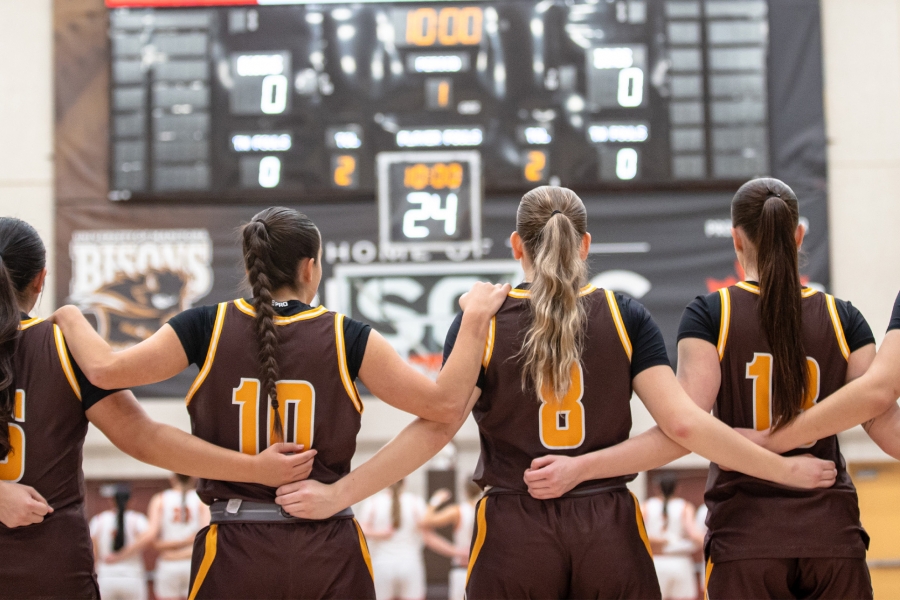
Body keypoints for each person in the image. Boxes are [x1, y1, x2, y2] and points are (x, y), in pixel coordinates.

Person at [273, 186, 837, 599]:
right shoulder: (623, 314)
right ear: (585, 243)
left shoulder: (485, 319)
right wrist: (782, 466)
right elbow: (682, 427)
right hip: (608, 519)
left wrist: (340, 493)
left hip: (516, 522)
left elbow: (435, 427)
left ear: (517, 245)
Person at [52, 207, 510, 599]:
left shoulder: (204, 325)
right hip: (327, 543)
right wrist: (473, 318)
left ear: (253, 268)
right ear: (310, 267)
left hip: (234, 544)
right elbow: (444, 404)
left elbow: (105, 371)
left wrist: (70, 315)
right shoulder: (347, 335)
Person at [507, 179, 880, 599]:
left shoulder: (712, 313)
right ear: (798, 235)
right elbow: (878, 412)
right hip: (830, 527)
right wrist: (792, 442)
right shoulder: (843, 317)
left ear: (736, 239)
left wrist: (760, 442)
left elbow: (688, 425)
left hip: (746, 532)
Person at [0, 217, 317, 599]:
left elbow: (142, 438)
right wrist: (254, 468)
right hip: (49, 569)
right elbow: (145, 438)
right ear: (40, 280)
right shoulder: (62, 344)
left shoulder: (62, 345)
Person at [358, 479, 429, 600]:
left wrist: (380, 534)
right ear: (405, 483)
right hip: (410, 563)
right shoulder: (416, 501)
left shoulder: (373, 502)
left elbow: (359, 530)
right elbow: (428, 531)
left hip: (381, 565)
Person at [144, 474, 210, 600]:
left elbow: (151, 537)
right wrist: (188, 541)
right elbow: (206, 535)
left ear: (172, 478)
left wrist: (171, 548)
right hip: (193, 562)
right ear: (193, 478)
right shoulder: (201, 500)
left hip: (168, 563)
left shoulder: (160, 499)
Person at [641, 474, 703, 600]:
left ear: (657, 488)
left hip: (656, 563)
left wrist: (659, 541)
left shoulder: (646, 506)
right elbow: (694, 534)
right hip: (680, 562)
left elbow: (638, 534)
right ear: (677, 488)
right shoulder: (684, 506)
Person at [419, 480, 481, 600]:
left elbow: (425, 521)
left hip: (462, 571)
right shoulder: (490, 509)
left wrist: (436, 500)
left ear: (465, 492)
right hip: (485, 571)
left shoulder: (458, 511)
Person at [89, 486, 150, 600]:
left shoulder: (98, 520)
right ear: (131, 501)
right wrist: (123, 555)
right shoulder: (138, 519)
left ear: (111, 500)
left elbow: (93, 553)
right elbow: (148, 538)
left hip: (105, 577)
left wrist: (117, 556)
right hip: (132, 577)